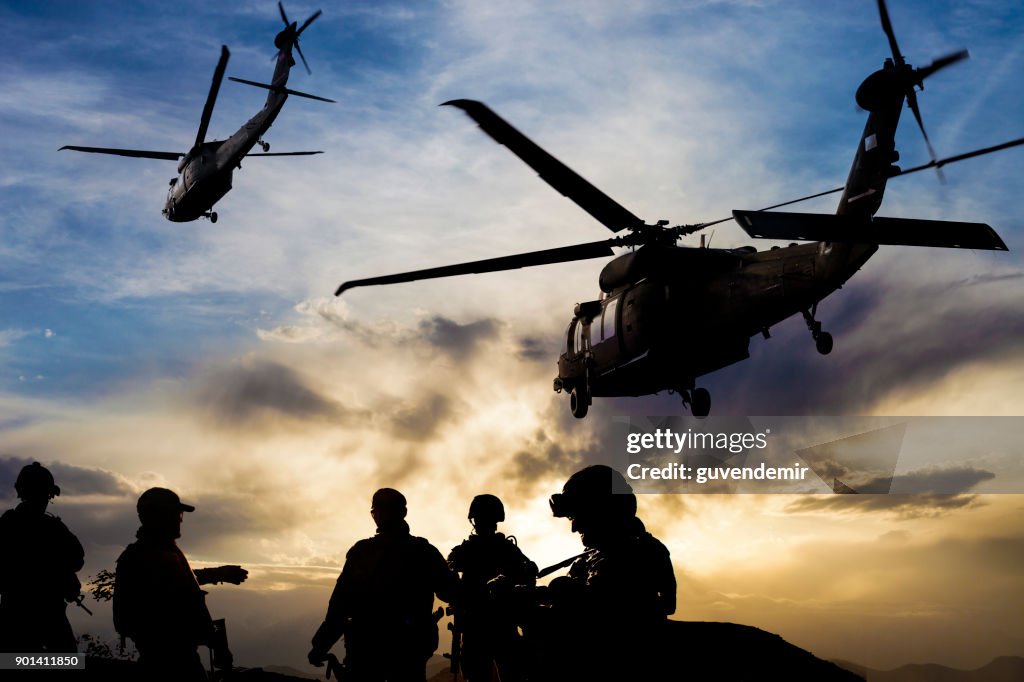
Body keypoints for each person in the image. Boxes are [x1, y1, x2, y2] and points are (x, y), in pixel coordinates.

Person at [522, 465, 676, 680]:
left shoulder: (642, 550)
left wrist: (563, 592)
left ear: (602, 510)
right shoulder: (590, 557)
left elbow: (661, 606)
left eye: (577, 516)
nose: (574, 528)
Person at [308, 488, 455, 682]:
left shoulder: (361, 552)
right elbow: (452, 593)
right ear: (403, 513)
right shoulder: (424, 552)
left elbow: (339, 606)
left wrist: (320, 646)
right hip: (408, 650)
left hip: (366, 649)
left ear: (375, 515)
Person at [113, 487, 247, 681]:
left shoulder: (159, 553)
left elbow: (177, 581)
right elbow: (166, 602)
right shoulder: (149, 556)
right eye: (176, 514)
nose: (180, 519)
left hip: (170, 661)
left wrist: (218, 573)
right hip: (172, 667)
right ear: (160, 516)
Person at [447, 494, 537, 682]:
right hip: (486, 625)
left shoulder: (469, 551)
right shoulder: (500, 549)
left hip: (493, 624)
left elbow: (529, 576)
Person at [0, 462, 85, 653]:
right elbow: (77, 559)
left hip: (15, 612)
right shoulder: (54, 529)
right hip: (44, 612)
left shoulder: (7, 526)